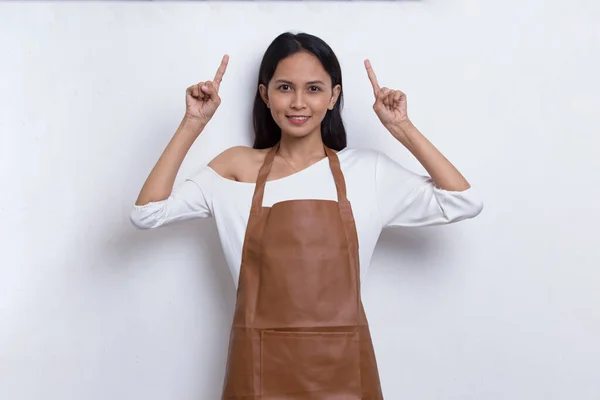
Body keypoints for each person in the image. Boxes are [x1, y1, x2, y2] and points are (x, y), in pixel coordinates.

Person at [130, 32, 483, 399]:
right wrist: (192, 123)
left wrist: (401, 128)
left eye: (314, 89)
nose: (299, 102)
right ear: (266, 95)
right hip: (258, 374)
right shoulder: (236, 167)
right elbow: (147, 213)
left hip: (345, 375)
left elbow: (463, 201)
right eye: (285, 87)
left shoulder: (365, 171)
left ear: (334, 96)